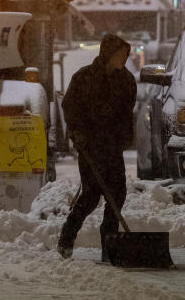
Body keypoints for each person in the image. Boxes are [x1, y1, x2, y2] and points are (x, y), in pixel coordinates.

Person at [57, 33, 136, 260]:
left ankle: (109, 245)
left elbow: (126, 114)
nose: (124, 58)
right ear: (107, 54)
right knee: (91, 195)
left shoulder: (126, 80)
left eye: (126, 54)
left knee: (117, 194)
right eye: (120, 54)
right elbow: (70, 108)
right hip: (90, 145)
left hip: (112, 146)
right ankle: (67, 238)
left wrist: (124, 139)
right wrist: (78, 134)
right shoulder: (84, 78)